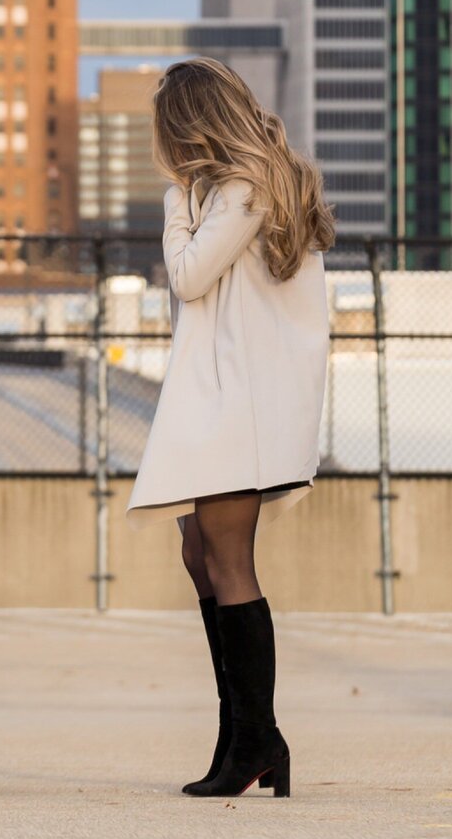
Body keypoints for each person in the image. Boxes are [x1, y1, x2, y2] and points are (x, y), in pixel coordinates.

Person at [127, 59, 334, 800]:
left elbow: (187, 277)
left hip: (239, 406)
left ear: (187, 125)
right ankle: (243, 733)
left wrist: (175, 201)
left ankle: (255, 739)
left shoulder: (242, 188)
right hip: (225, 399)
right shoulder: (239, 188)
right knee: (198, 550)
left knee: (227, 561)